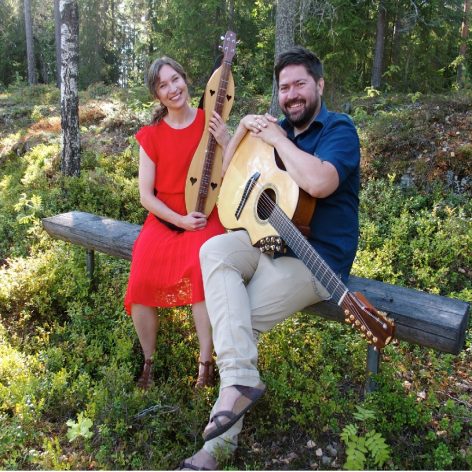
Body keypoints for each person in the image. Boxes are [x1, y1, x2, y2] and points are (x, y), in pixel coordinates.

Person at [179, 46, 360, 470]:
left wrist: (278, 139)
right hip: (268, 240)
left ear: (319, 85)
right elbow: (232, 173)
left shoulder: (339, 129)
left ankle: (217, 448)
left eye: (299, 84)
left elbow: (319, 182)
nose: (291, 94)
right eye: (284, 87)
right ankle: (241, 382)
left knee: (237, 320)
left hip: (314, 260)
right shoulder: (279, 129)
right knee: (213, 249)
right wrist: (241, 131)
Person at [124, 56, 231, 390]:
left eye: (175, 80)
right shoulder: (151, 136)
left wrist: (227, 141)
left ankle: (205, 363)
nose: (173, 89)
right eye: (163, 85)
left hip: (204, 213)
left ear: (185, 79)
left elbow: (227, 176)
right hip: (167, 217)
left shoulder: (209, 121)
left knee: (201, 270)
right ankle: (148, 361)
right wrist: (179, 221)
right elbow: (146, 196)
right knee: (140, 279)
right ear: (156, 95)